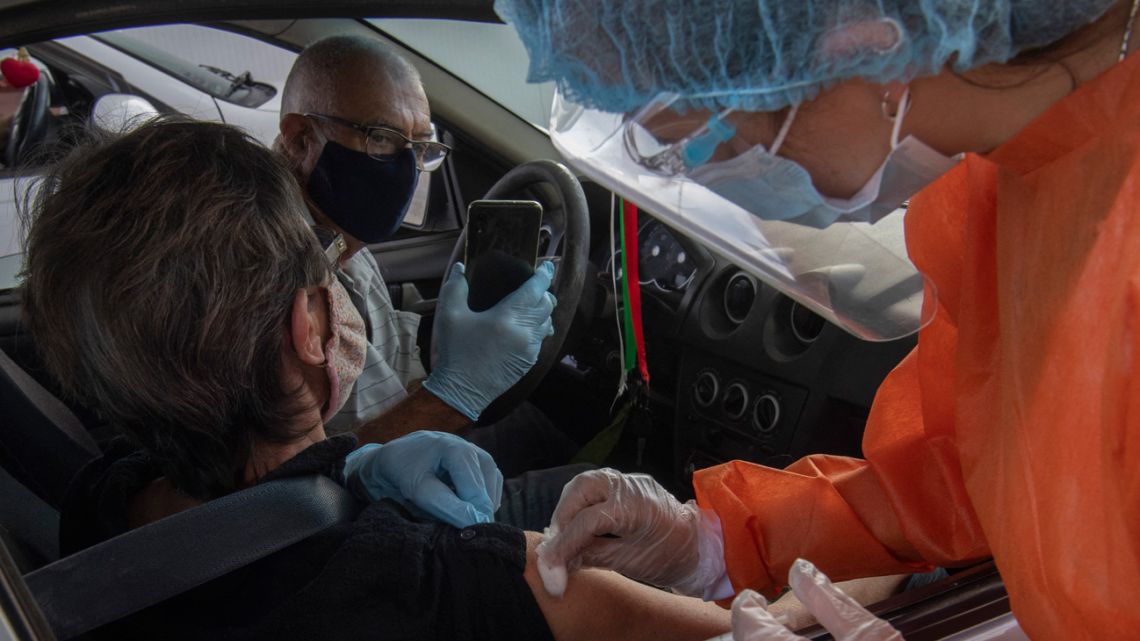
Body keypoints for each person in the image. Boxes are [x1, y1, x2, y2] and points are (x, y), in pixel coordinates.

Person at [494, 0, 1140, 638]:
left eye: (715, 138)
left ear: (865, 46)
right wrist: (715, 542)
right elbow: (962, 469)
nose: (711, 175)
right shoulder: (995, 180)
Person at [19, 118, 733, 641]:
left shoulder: (103, 511)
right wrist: (698, 556)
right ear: (310, 322)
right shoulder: (436, 581)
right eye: (327, 275)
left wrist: (350, 466)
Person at [275, 35, 589, 529]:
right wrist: (454, 392)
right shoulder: (273, 273)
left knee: (556, 424)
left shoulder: (343, 244)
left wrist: (449, 347)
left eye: (420, 147)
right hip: (372, 506)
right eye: (381, 137)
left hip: (403, 443)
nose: (406, 168)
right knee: (601, 490)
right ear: (299, 139)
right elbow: (305, 478)